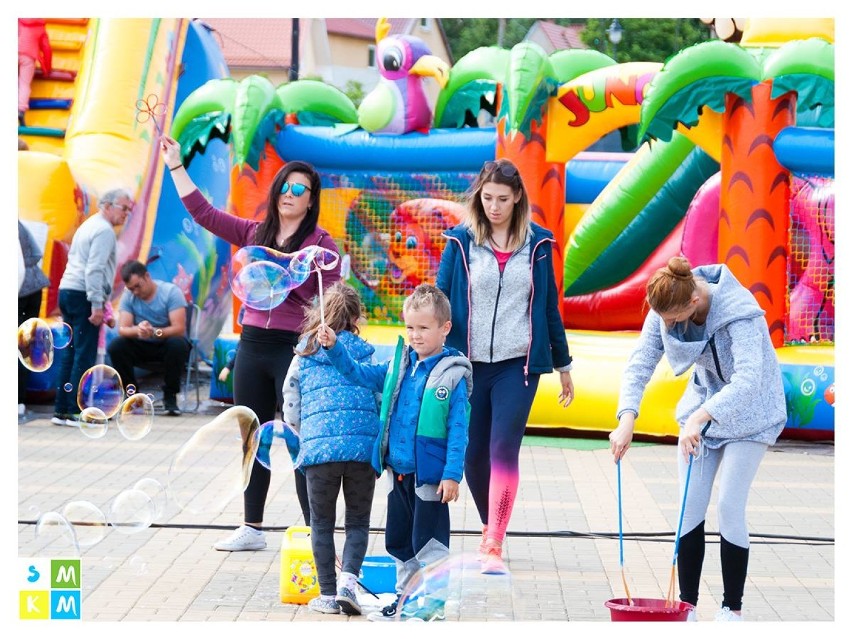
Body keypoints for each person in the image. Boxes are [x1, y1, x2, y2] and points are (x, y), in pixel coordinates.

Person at [160, 134, 342, 551]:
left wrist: (299, 286)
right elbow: (204, 213)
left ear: (311, 199)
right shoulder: (254, 232)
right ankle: (251, 528)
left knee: (299, 439)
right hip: (253, 345)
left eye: (300, 189)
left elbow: (333, 297)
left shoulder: (320, 244)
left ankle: (317, 532)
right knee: (251, 437)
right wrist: (175, 164)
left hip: (295, 349)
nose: (289, 194)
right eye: (284, 186)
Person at [608, 256, 786, 622]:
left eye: (672, 320)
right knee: (689, 507)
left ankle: (731, 610)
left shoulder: (740, 313)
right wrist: (626, 418)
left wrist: (701, 416)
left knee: (728, 506)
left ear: (693, 303)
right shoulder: (667, 301)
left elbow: (749, 379)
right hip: (701, 413)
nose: (667, 326)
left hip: (752, 414)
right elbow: (641, 362)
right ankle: (686, 607)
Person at [435, 158, 574, 575]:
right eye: (487, 198)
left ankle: (494, 539)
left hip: (518, 366)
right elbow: (440, 298)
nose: (494, 206)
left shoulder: (538, 246)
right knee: (473, 455)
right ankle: (489, 523)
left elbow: (548, 307)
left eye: (502, 199)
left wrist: (563, 363)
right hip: (468, 365)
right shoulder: (459, 242)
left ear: (517, 199)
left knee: (502, 448)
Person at [317, 284, 472, 622]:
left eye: (424, 328)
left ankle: (431, 606)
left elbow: (460, 431)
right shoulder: (398, 366)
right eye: (410, 328)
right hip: (397, 472)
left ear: (445, 328)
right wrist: (335, 348)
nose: (415, 336)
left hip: (429, 476)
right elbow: (358, 374)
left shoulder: (453, 376)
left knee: (428, 542)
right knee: (399, 540)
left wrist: (451, 475)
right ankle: (404, 599)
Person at [281, 282, 380, 616]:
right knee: (357, 521)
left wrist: (301, 434)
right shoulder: (367, 353)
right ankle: (348, 584)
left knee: (321, 523)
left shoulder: (303, 355)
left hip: (320, 452)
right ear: (356, 317)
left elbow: (290, 403)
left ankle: (326, 593)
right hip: (361, 452)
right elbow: (380, 399)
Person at [52, 188, 133, 427]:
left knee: (70, 351)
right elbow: (95, 269)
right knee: (84, 353)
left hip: (68, 290)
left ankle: (62, 411)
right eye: (123, 208)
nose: (126, 214)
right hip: (83, 294)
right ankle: (78, 411)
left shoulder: (89, 225)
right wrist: (98, 305)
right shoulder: (104, 230)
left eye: (129, 209)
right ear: (107, 206)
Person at [107, 260, 190, 416]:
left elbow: (179, 329)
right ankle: (133, 397)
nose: (136, 292)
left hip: (165, 343)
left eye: (138, 286)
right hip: (142, 344)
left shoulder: (170, 292)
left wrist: (154, 332)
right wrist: (139, 330)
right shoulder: (128, 297)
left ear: (147, 276)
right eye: (131, 289)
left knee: (177, 345)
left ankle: (170, 396)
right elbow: (123, 329)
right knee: (117, 346)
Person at [18, 220, 51, 420]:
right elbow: (36, 253)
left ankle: (17, 400)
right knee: (24, 346)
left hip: (23, 289)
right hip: (33, 284)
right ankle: (19, 401)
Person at [18, 19, 52, 127]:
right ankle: (20, 110)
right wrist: (47, 68)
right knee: (24, 84)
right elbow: (46, 48)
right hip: (28, 56)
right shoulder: (40, 27)